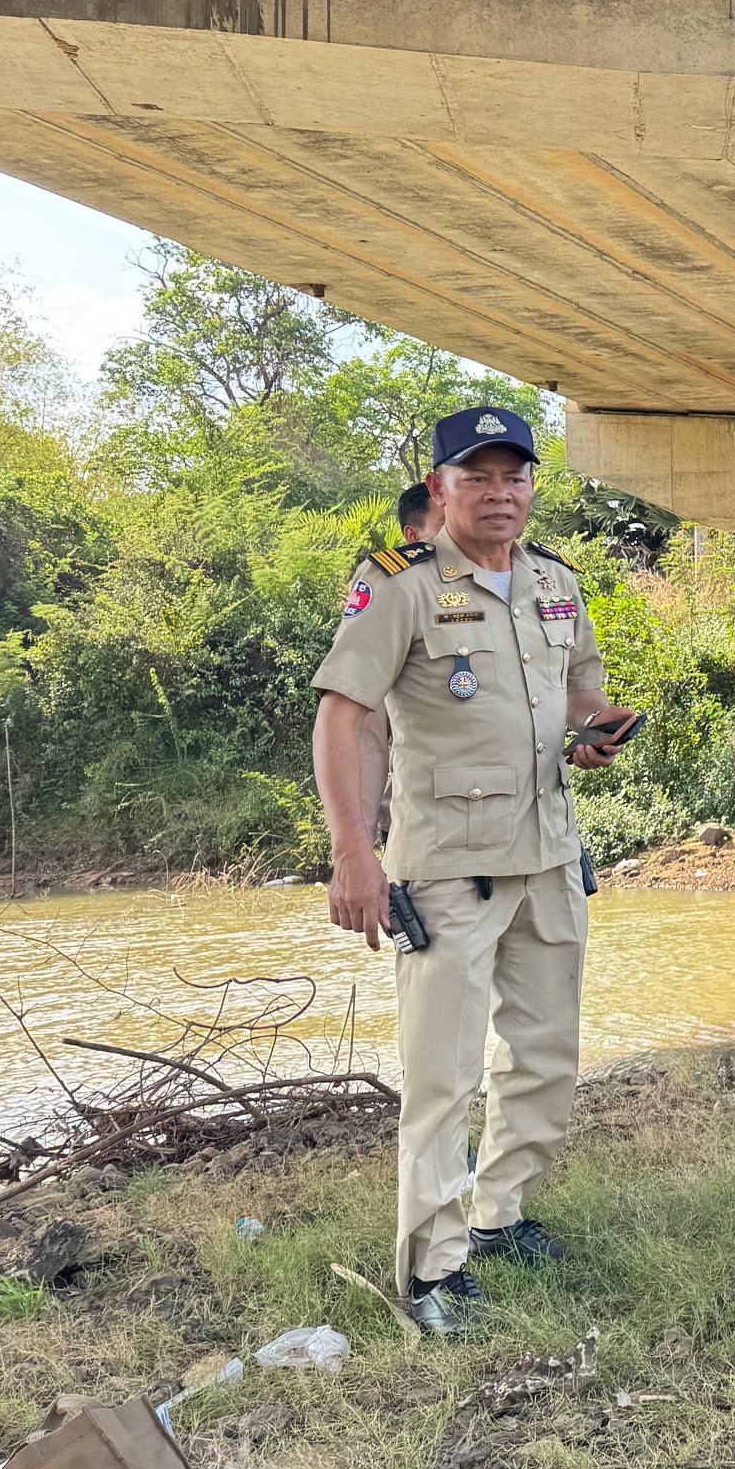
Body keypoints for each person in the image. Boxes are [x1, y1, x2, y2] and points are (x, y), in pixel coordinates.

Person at [311, 407, 636, 1335]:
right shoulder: (400, 586)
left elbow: (579, 689)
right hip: (449, 869)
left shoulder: (556, 582)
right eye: (478, 477)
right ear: (441, 488)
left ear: (532, 486)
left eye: (514, 477)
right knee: (443, 1076)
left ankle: (500, 1216)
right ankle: (432, 1271)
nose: (500, 494)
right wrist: (353, 852)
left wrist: (593, 731)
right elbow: (344, 718)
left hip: (550, 856)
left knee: (545, 1055)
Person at [356, 481, 446, 838]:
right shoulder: (394, 592)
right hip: (416, 820)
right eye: (444, 524)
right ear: (412, 536)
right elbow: (368, 734)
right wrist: (357, 842)